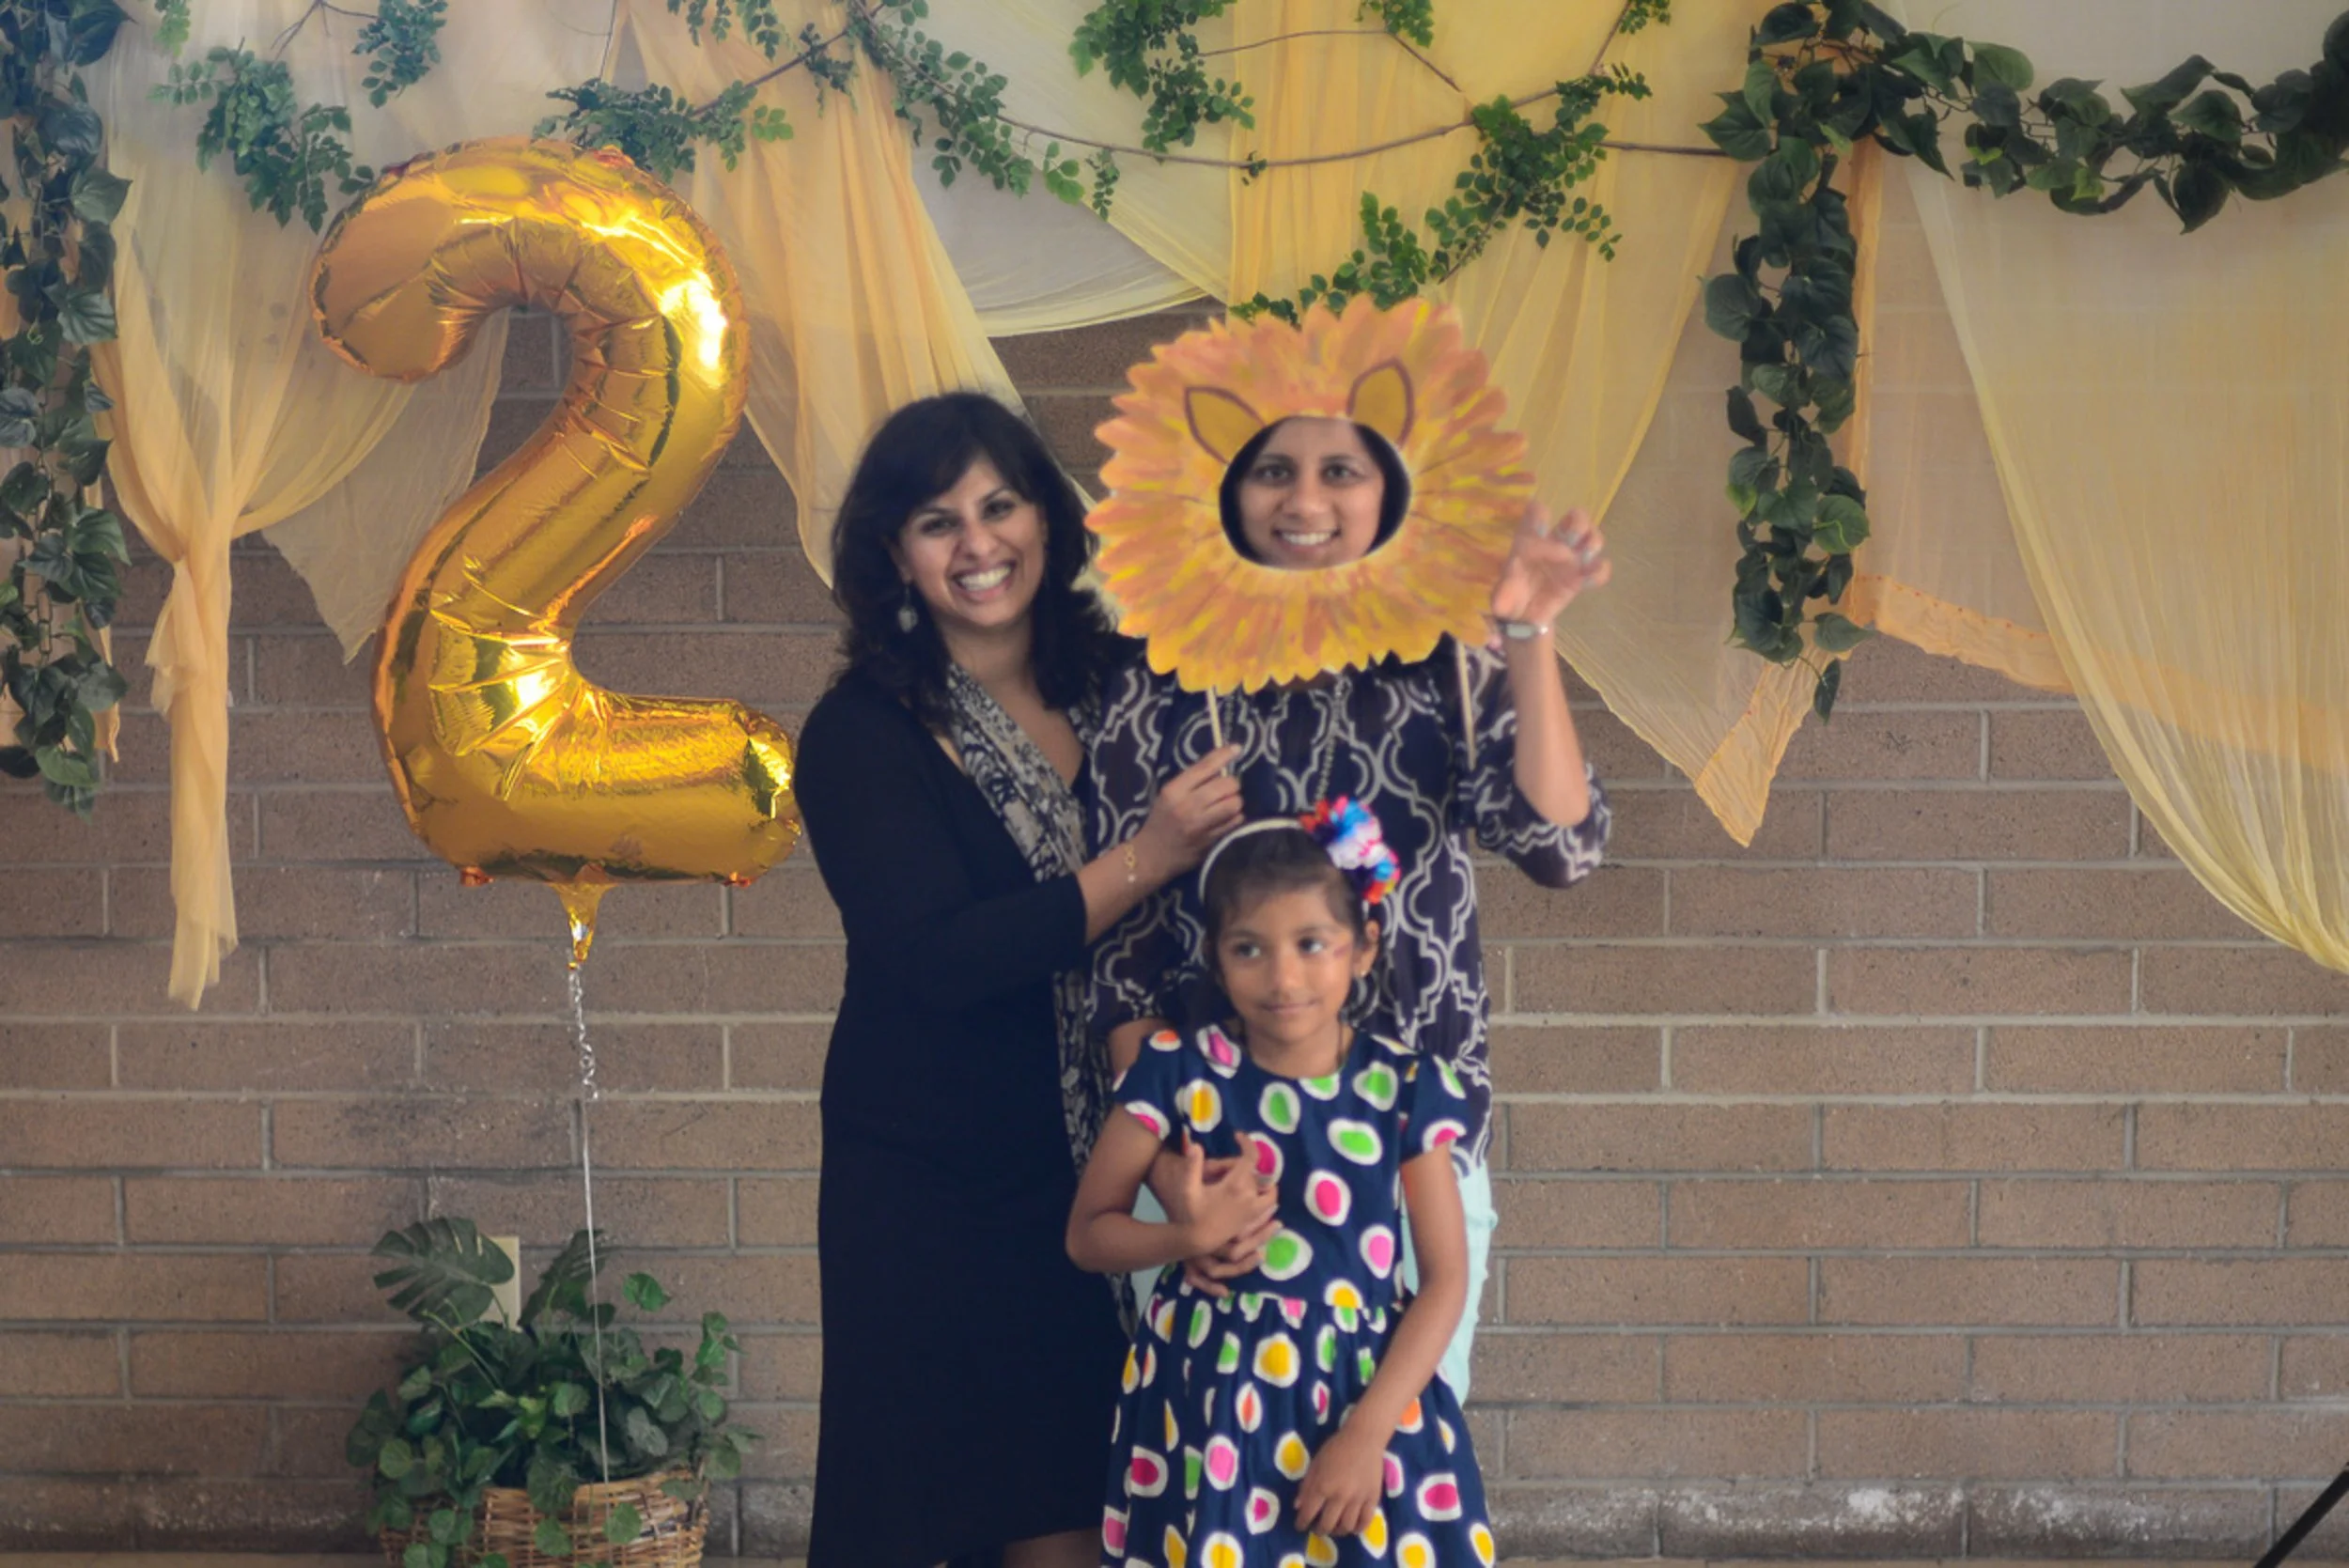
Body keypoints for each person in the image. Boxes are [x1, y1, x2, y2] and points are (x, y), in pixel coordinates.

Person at [794, 393, 1244, 1568]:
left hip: (1102, 1158)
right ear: (893, 551)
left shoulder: (1134, 685)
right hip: (932, 1177)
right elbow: (940, 956)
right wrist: (1146, 856)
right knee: (924, 1504)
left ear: (1048, 517)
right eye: (937, 522)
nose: (978, 544)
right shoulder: (860, 733)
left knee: (1082, 1504)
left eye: (1001, 506)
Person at [1089, 414, 1611, 1398]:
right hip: (1220, 1162)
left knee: (1393, 1474)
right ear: (1230, 490)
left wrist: (1527, 632)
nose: (1306, 499)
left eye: (1342, 470)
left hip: (1408, 1153)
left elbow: (1560, 849)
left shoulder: (1448, 662)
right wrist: (1176, 1187)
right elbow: (1124, 963)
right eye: (1273, 471)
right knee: (1224, 1490)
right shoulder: (1156, 679)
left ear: (1388, 492)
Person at [1068, 808, 1500, 1568]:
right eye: (1249, 948)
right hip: (1206, 1399)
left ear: (1363, 947)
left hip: (1359, 1397)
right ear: (1216, 957)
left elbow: (1444, 1281)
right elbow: (1088, 1232)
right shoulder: (1176, 1069)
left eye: (1311, 944)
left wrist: (1369, 1432)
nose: (1283, 977)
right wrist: (1185, 1237)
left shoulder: (1403, 1087)